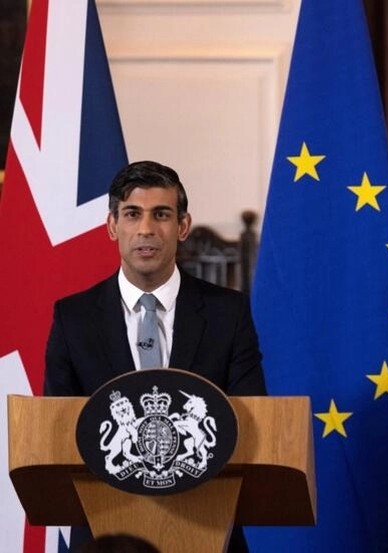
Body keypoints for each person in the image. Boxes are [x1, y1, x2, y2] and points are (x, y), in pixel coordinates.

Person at [44, 160, 266, 552]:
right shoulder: (73, 317)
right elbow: (56, 429)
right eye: (132, 214)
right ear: (113, 225)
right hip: (105, 533)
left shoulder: (228, 312)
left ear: (182, 226)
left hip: (209, 527)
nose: (146, 229)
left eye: (161, 214)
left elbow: (251, 419)